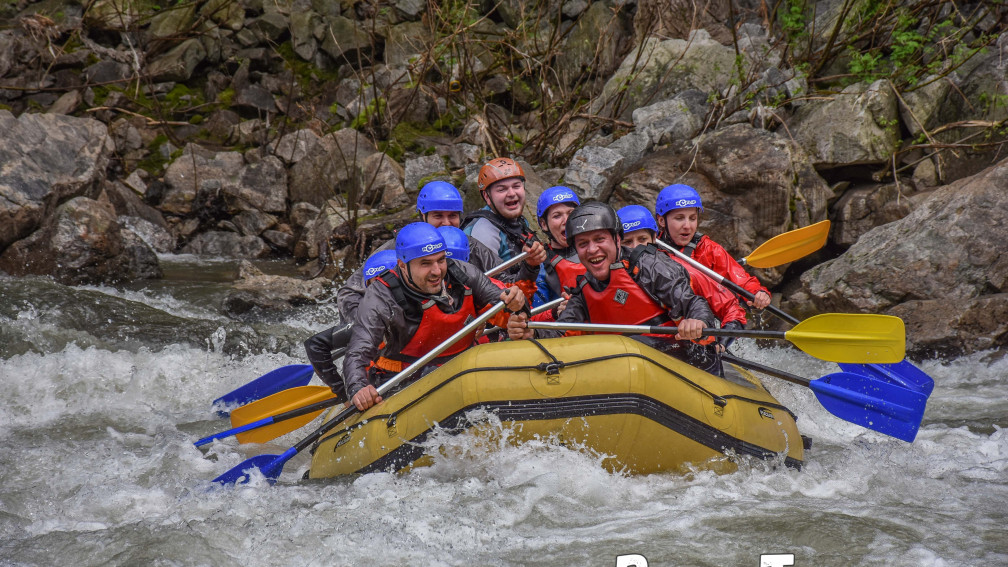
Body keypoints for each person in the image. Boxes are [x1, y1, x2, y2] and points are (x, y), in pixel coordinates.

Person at [507, 202, 722, 375]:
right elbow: (564, 332)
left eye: (600, 239)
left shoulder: (650, 266)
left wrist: (697, 321)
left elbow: (693, 303)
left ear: (617, 240)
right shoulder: (584, 289)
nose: (592, 250)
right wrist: (532, 332)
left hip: (682, 362)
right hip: (630, 373)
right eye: (583, 244)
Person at [343, 222, 527, 411]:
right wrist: (358, 388)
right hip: (403, 381)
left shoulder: (462, 273)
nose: (437, 271)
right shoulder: (380, 296)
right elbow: (358, 352)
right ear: (402, 266)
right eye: (425, 263)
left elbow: (502, 301)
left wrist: (517, 303)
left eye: (440, 260)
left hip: (463, 369)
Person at [336, 180, 503, 321]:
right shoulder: (400, 247)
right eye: (438, 216)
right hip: (411, 326)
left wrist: (529, 268)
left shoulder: (470, 245)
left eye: (452, 216)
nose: (446, 223)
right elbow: (349, 293)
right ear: (423, 216)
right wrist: (365, 325)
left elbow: (506, 275)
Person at [617, 204, 747, 353]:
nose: (635, 249)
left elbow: (731, 308)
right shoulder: (602, 272)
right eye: (627, 242)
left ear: (653, 239)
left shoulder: (681, 270)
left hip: (675, 349)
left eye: (642, 240)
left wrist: (721, 342)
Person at [655, 184, 771, 310]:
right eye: (679, 218)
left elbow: (740, 280)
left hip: (703, 321)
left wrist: (758, 293)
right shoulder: (649, 249)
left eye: (692, 218)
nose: (687, 226)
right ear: (661, 221)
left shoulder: (708, 249)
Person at [304, 249, 396, 397]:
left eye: (391, 281)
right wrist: (343, 394)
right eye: (376, 284)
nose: (384, 290)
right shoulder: (366, 323)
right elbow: (315, 345)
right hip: (376, 383)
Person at [461, 157, 547, 283]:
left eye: (516, 186)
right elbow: (491, 288)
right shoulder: (483, 231)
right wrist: (530, 265)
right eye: (502, 189)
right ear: (487, 196)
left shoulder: (519, 221)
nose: (511, 193)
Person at [532, 186, 585, 309]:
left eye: (571, 213)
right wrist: (557, 312)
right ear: (544, 224)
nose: (566, 220)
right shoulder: (541, 267)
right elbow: (535, 317)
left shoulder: (597, 251)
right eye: (557, 216)